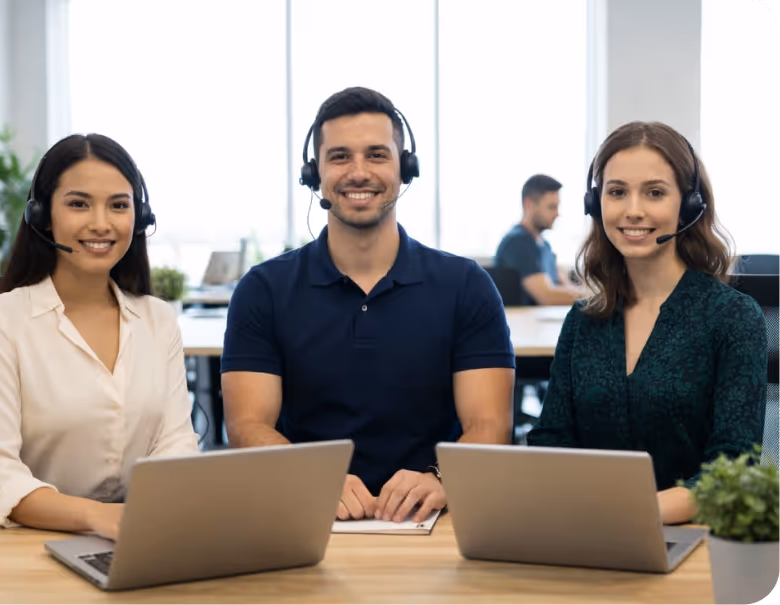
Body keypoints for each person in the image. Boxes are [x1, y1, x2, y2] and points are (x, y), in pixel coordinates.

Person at [221, 87, 515, 524]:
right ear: (313, 173)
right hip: (304, 511)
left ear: (405, 169)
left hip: (436, 517)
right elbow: (247, 426)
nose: (358, 172)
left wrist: (440, 477)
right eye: (339, 156)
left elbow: (490, 425)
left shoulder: (466, 285)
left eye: (377, 155)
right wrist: (314, 476)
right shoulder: (263, 289)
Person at [0, 133, 200, 539]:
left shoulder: (158, 319)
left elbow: (176, 444)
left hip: (140, 535)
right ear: (43, 216)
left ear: (138, 219)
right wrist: (95, 517)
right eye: (78, 204)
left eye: (119, 206)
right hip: (32, 542)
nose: (101, 223)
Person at [527, 121, 767, 525]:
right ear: (595, 202)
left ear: (689, 206)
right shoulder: (583, 321)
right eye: (617, 191)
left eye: (655, 193)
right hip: (584, 535)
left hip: (691, 540)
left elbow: (732, 467)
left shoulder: (732, 318)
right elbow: (551, 441)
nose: (633, 209)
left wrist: (633, 513)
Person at [494, 174, 580, 305]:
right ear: (529, 204)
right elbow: (548, 297)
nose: (557, 214)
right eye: (551, 207)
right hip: (523, 324)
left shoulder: (545, 246)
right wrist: (598, 299)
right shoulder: (517, 242)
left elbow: (563, 287)